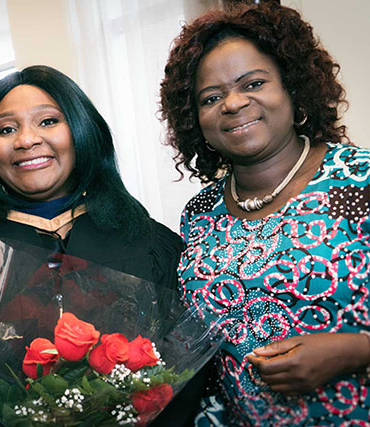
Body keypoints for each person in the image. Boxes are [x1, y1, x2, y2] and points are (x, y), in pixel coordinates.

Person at [0, 65, 203, 426]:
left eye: (48, 121)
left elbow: (182, 372)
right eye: (6, 129)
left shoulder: (146, 241)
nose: (26, 140)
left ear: (82, 131)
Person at [160, 2, 370, 425]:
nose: (234, 104)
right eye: (211, 97)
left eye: (253, 83)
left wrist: (355, 350)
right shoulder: (201, 212)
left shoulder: (359, 180)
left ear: (293, 88)